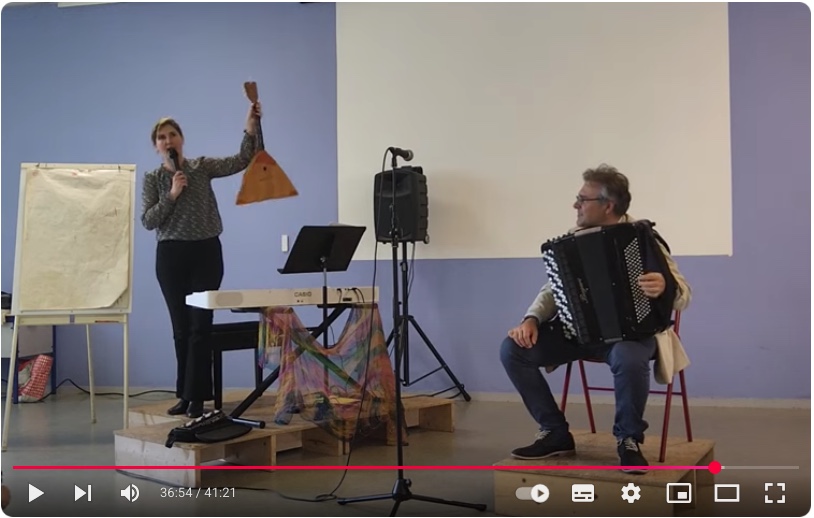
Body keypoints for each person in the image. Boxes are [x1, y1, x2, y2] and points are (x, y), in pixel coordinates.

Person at [499, 164, 691, 474]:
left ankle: (628, 439)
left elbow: (683, 293)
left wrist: (664, 286)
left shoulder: (644, 238)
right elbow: (552, 289)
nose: (575, 205)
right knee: (513, 350)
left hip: (633, 334)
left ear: (607, 205)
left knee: (628, 357)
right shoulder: (572, 241)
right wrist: (531, 318)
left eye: (582, 199)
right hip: (581, 332)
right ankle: (555, 432)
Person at [141, 102, 261, 418]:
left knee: (200, 327)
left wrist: (249, 127)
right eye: (161, 137)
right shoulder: (153, 179)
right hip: (171, 257)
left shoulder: (201, 167)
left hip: (205, 253)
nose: (168, 140)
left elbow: (241, 160)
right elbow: (148, 221)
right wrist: (172, 194)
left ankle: (197, 399)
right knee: (181, 329)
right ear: (156, 147)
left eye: (172, 134)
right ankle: (185, 394)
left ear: (181, 139)